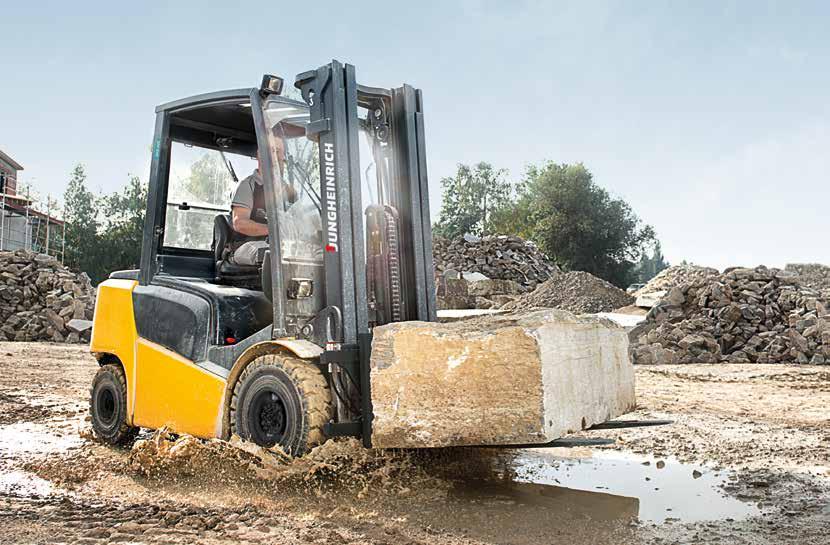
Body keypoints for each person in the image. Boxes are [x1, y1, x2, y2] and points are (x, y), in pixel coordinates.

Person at [228, 138, 296, 266]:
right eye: (272, 150)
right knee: (271, 254)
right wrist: (274, 231)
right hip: (248, 244)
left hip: (282, 244)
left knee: (319, 253)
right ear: (260, 155)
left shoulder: (289, 191)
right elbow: (240, 223)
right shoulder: (248, 185)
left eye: (279, 151)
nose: (276, 156)